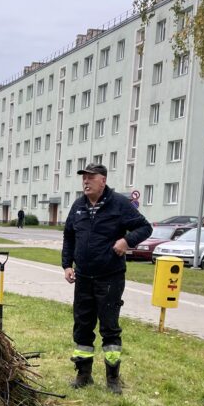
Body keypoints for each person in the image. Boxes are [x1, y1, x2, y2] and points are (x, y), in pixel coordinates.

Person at [61, 164, 153, 393]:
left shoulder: (119, 204)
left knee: (109, 327)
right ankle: (84, 375)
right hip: (83, 276)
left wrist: (127, 241)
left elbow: (145, 227)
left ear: (103, 180)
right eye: (84, 178)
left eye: (91, 177)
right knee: (83, 324)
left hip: (110, 277)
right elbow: (69, 236)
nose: (86, 181)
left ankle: (112, 378)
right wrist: (66, 265)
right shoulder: (78, 206)